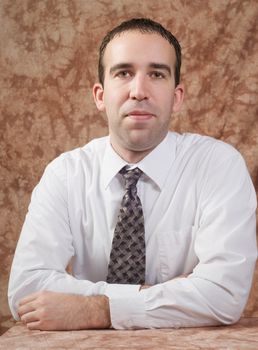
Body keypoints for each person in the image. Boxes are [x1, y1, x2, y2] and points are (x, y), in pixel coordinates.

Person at [8, 18, 257, 331]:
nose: (139, 91)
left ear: (177, 96)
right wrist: (161, 296)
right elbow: (26, 289)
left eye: (156, 74)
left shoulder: (218, 167)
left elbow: (224, 294)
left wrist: (94, 310)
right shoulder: (65, 174)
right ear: (100, 95)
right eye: (124, 73)